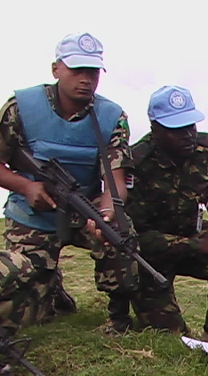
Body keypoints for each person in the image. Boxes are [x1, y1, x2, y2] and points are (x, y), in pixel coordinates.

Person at [0, 32, 135, 340]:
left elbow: (116, 178)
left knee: (120, 235)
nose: (86, 79)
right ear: (56, 69)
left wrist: (107, 210)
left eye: (93, 71)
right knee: (29, 317)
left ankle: (118, 317)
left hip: (83, 208)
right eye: (77, 70)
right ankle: (50, 287)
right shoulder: (19, 108)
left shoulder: (112, 116)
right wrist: (26, 187)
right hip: (32, 214)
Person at [114, 86, 208, 344]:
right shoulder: (136, 163)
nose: (188, 135)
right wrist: (197, 245)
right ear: (155, 128)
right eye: (177, 130)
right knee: (172, 338)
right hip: (150, 260)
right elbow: (135, 238)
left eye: (191, 126)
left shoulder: (202, 149)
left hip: (191, 234)